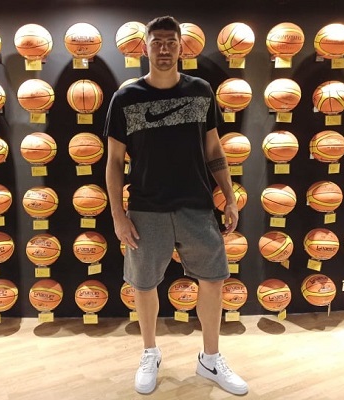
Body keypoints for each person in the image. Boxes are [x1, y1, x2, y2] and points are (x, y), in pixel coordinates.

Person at [104, 15, 248, 396]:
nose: (164, 49)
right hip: (145, 208)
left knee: (213, 280)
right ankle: (150, 353)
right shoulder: (126, 98)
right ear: (144, 47)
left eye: (171, 42)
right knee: (144, 284)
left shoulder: (200, 91)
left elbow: (214, 149)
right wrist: (118, 215)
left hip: (196, 205)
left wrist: (229, 196)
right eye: (157, 42)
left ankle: (210, 359)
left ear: (182, 47)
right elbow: (114, 162)